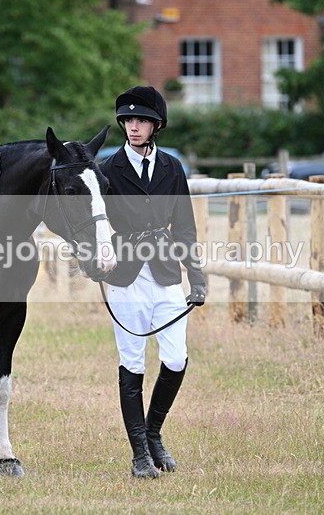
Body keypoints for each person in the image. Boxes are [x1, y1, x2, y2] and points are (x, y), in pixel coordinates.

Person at [99, 85, 206, 479]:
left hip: (165, 274)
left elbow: (186, 225)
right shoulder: (108, 170)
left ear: (156, 124)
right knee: (132, 362)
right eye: (128, 120)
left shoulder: (172, 168)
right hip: (126, 276)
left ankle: (155, 432)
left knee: (176, 358)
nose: (134, 127)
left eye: (141, 120)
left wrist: (196, 277)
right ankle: (140, 454)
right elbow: (89, 222)